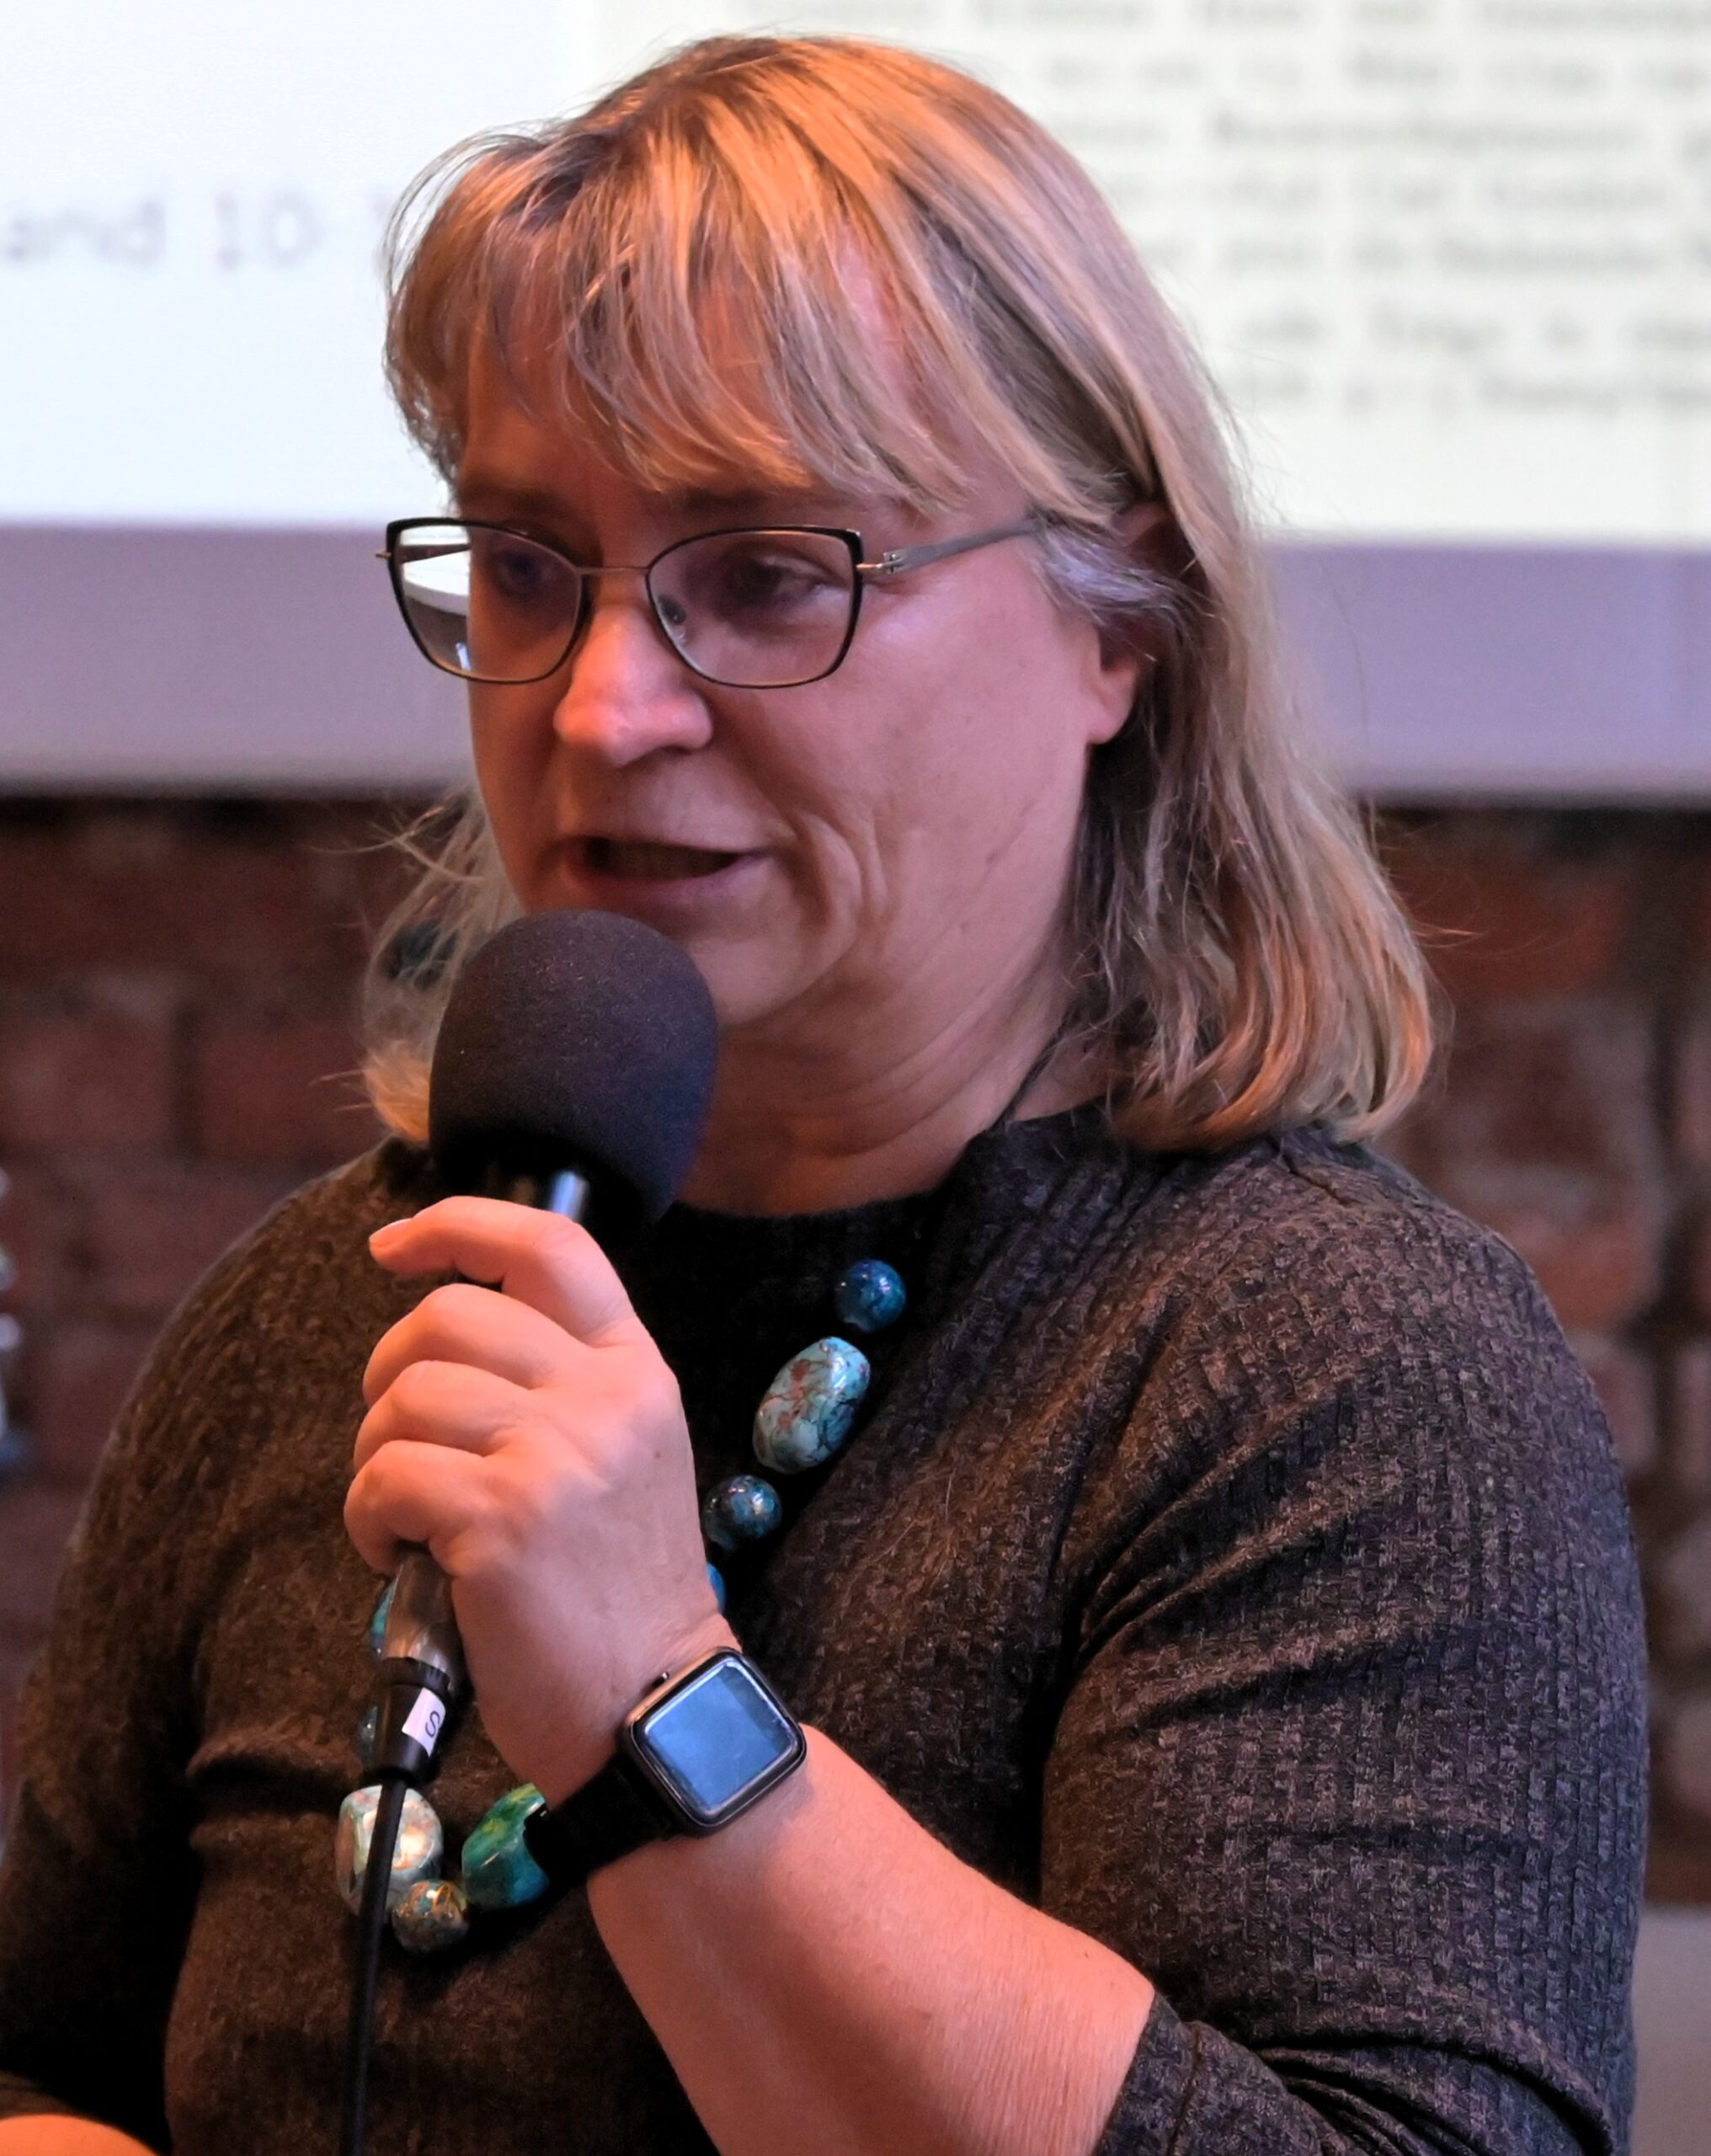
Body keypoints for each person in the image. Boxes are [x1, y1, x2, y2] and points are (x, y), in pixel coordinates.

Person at [0, 34, 1645, 2156]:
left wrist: (650, 1690)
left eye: (770, 572)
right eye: (527, 564)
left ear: (1117, 625)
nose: (602, 707)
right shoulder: (331, 1302)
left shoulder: (1331, 1367)